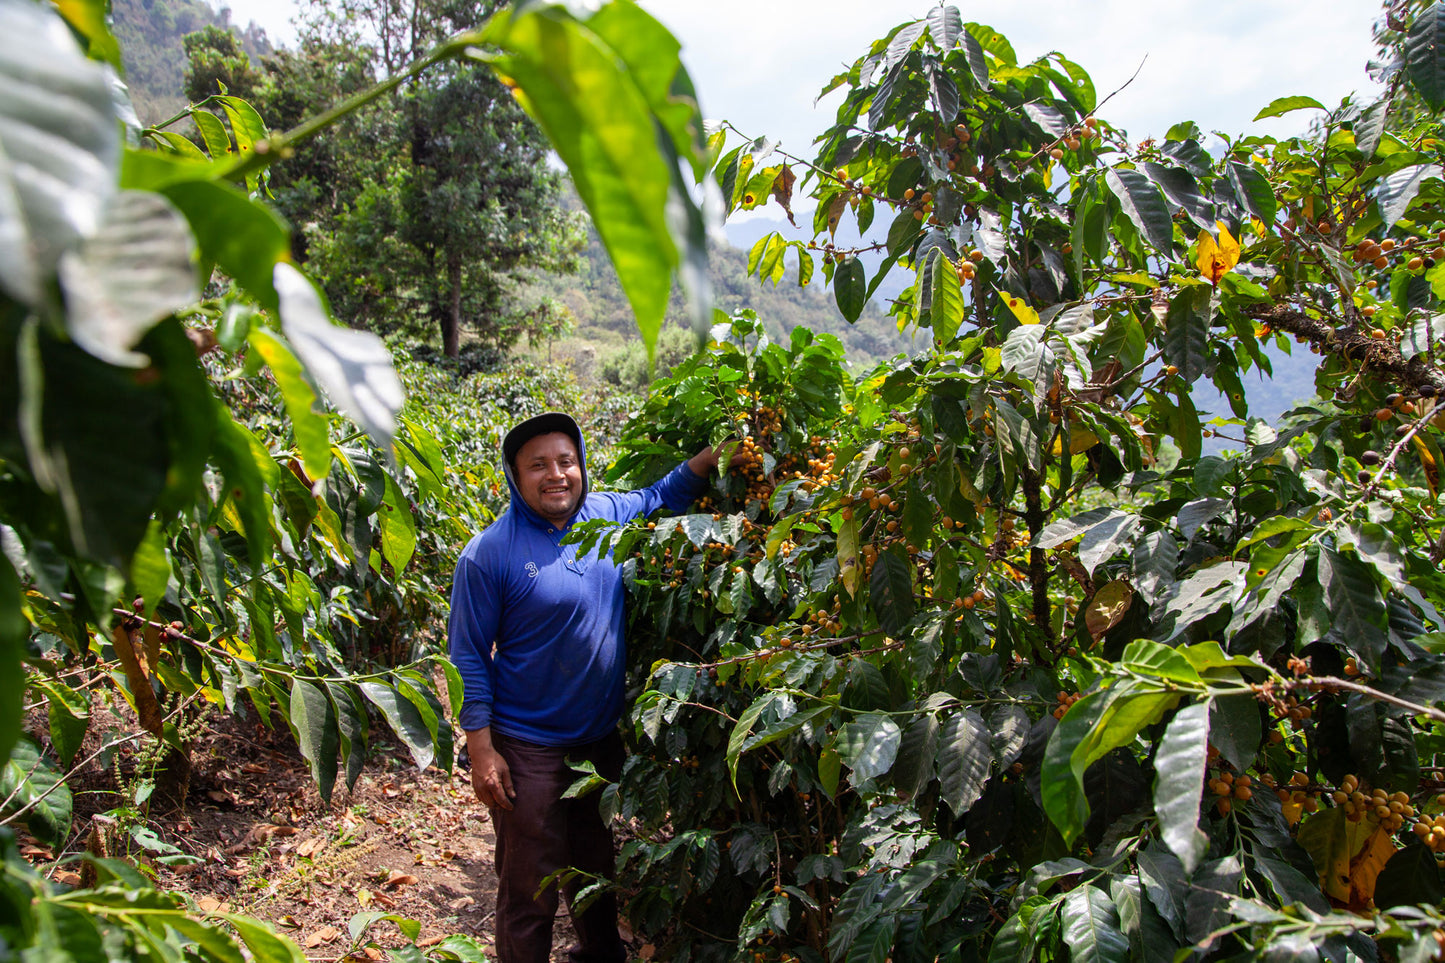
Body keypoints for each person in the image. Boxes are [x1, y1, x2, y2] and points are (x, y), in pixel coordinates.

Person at [448, 412, 719, 963]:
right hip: (527, 748)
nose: (556, 475)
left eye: (566, 462)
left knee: (596, 868)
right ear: (515, 477)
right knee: (530, 887)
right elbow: (468, 656)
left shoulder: (605, 516)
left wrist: (708, 461)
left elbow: (660, 496)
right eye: (538, 465)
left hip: (596, 743)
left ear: (581, 467)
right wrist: (482, 750)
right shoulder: (489, 553)